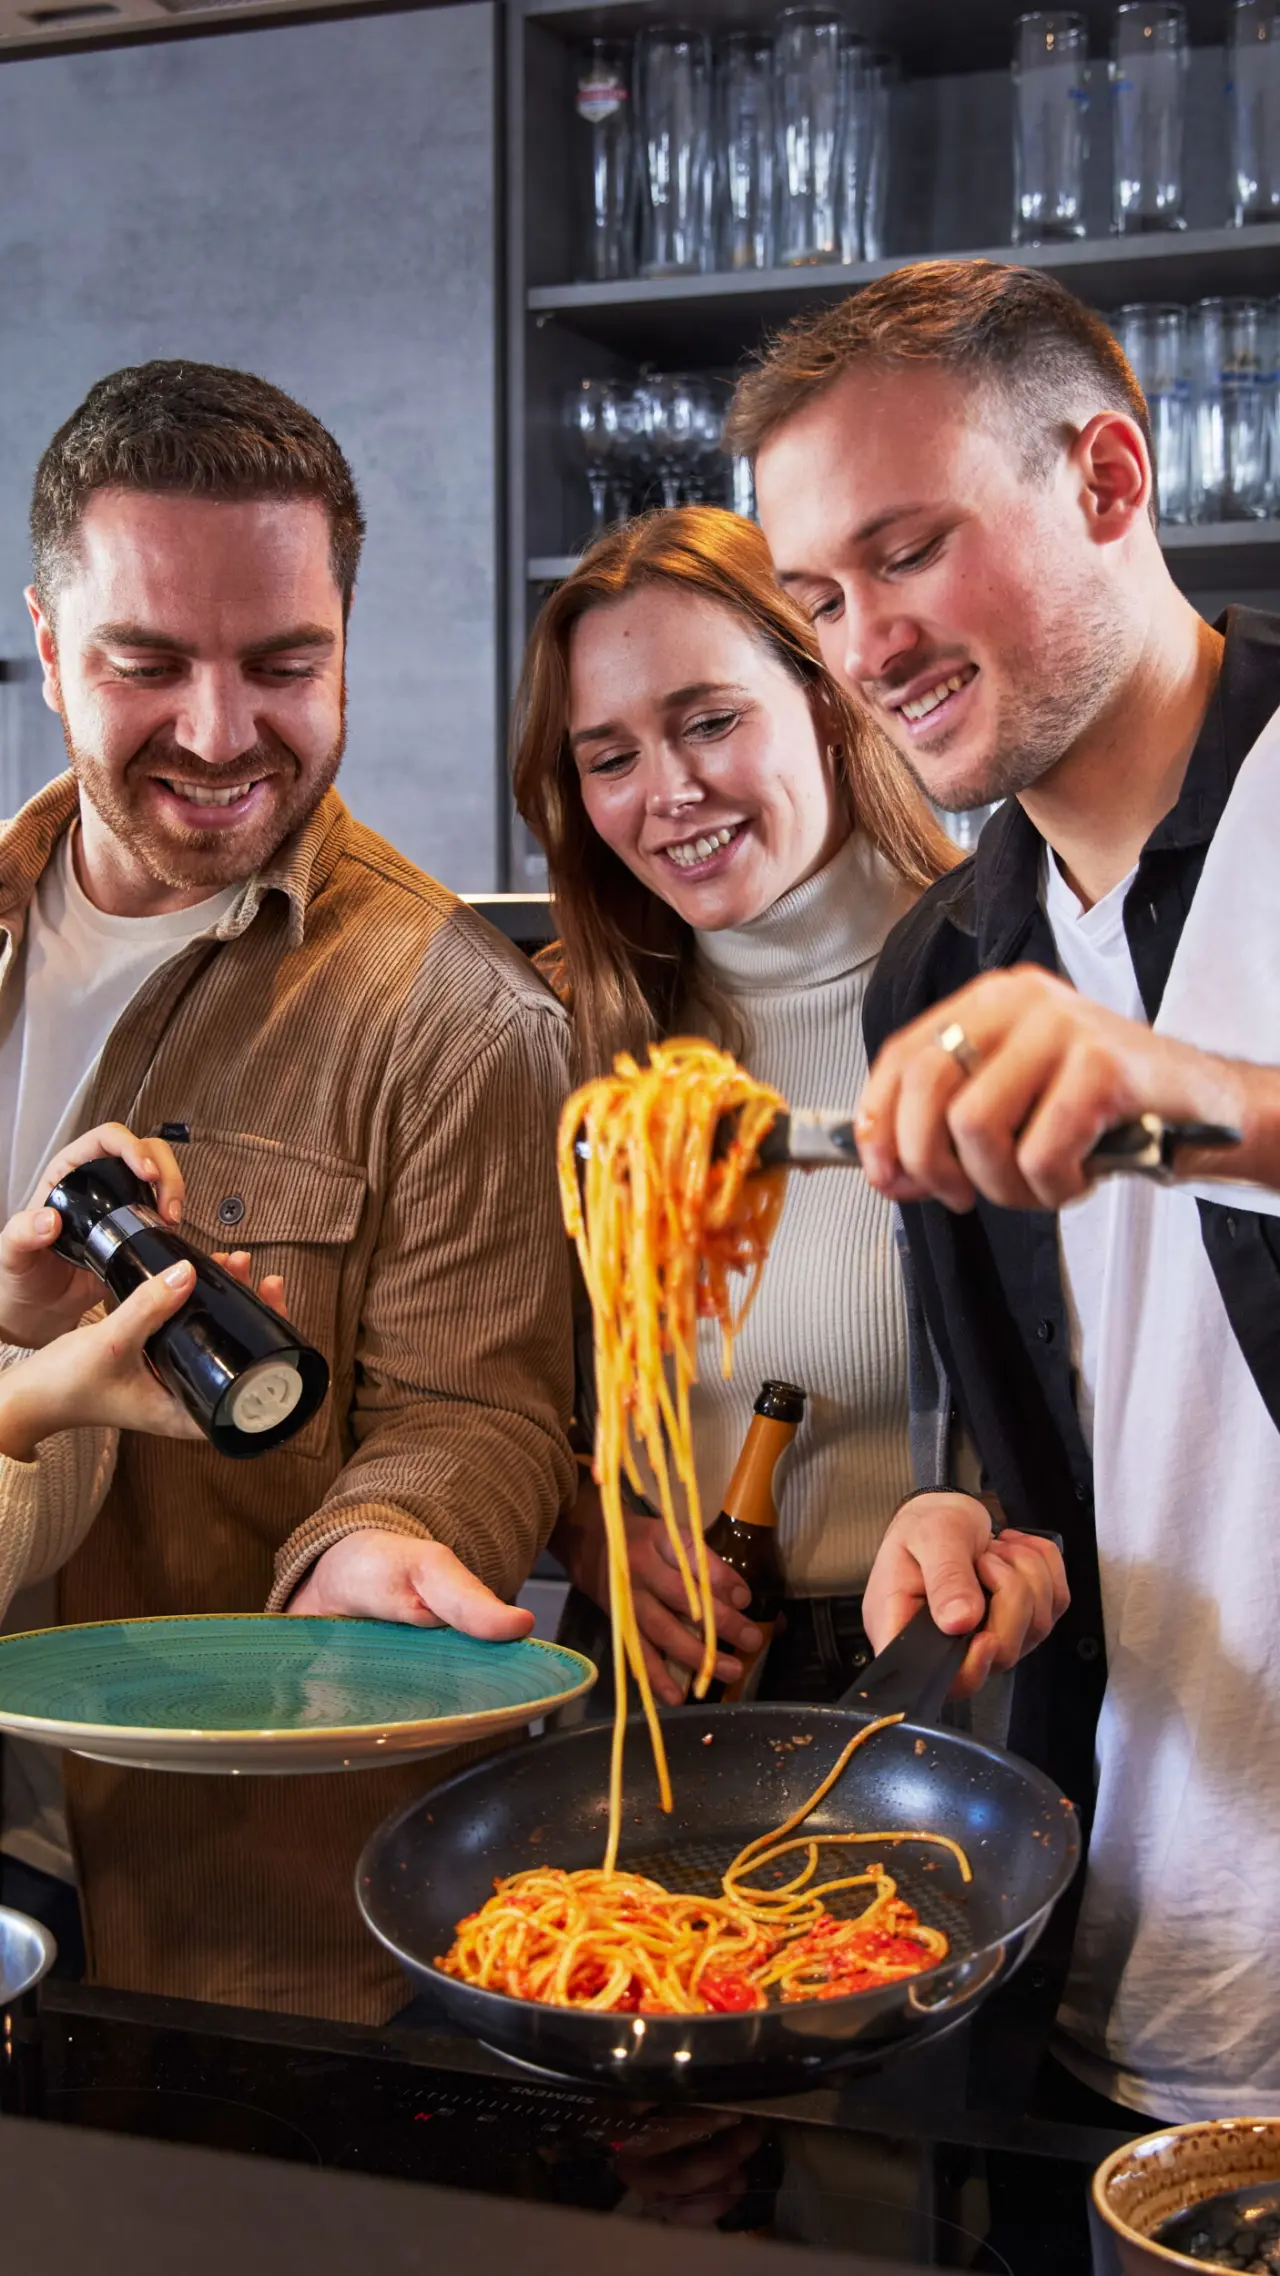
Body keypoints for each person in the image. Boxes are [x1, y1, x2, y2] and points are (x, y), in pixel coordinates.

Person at [729, 257, 1280, 2123]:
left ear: (1109, 483)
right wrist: (995, 1535)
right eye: (816, 595)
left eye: (907, 550)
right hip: (1125, 1985)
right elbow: (1099, 1433)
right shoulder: (946, 972)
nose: (864, 643)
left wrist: (1207, 1100)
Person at [0, 360, 574, 2021]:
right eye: (147, 662)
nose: (218, 729)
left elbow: (480, 1404)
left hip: (213, 1887)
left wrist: (390, 1532)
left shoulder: (458, 1015)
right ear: (47, 647)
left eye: (283, 663)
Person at [511, 506, 1062, 1706]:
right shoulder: (579, 1037)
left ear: (826, 695)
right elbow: (489, 1374)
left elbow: (1120, 1392)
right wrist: (585, 1521)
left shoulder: (1017, 985)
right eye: (607, 758)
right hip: (664, 1684)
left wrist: (991, 1504)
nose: (669, 793)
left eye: (709, 721)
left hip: (947, 1663)